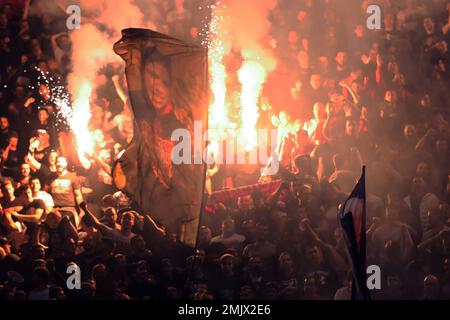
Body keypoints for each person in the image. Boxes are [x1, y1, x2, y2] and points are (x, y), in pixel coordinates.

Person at [48, 156, 83, 228]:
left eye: (62, 162)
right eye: (57, 162)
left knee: (65, 224)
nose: (59, 164)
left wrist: (82, 210)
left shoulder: (72, 177)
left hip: (68, 208)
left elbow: (78, 195)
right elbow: (45, 192)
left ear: (66, 164)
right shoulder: (51, 176)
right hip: (54, 208)